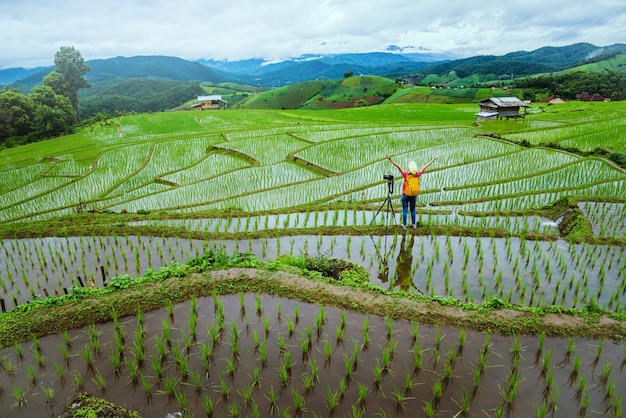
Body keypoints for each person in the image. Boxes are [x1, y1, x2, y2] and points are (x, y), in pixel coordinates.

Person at [387, 154, 440, 230]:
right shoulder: (418, 175)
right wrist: (434, 159)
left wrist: (390, 159)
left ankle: (404, 226)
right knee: (413, 210)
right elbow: (425, 166)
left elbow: (398, 166)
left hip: (406, 195)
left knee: (405, 209)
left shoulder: (406, 175)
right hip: (414, 195)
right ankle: (414, 225)